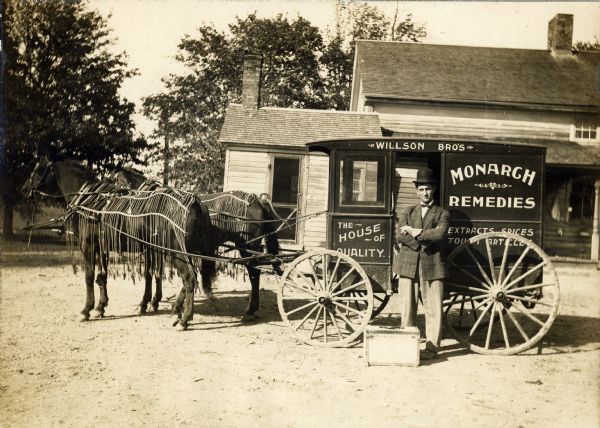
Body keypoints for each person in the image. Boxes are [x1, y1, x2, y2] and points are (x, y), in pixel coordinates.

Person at [393, 167, 449, 360]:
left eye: (428, 189)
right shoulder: (408, 211)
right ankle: (407, 346)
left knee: (433, 309)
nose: (425, 193)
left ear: (433, 189)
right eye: (421, 189)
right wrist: (424, 238)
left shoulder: (442, 213)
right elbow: (399, 236)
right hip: (408, 265)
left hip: (432, 266)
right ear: (417, 191)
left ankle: (432, 348)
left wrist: (415, 232)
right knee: (407, 308)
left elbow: (439, 234)